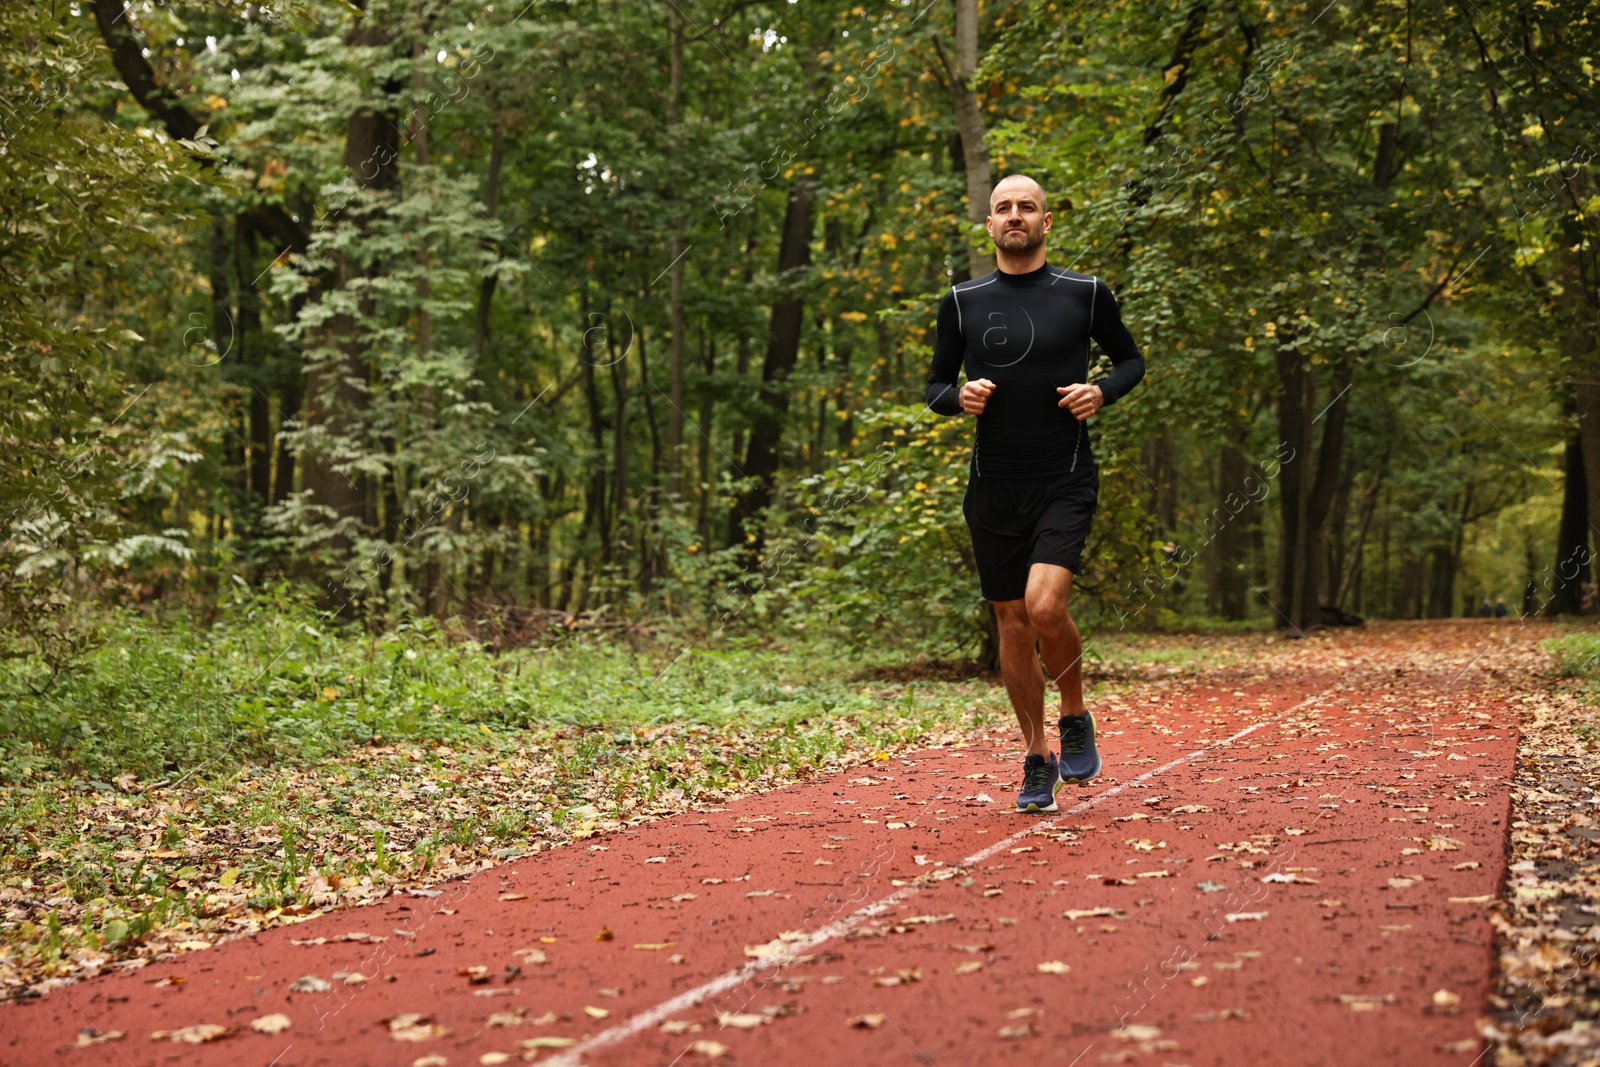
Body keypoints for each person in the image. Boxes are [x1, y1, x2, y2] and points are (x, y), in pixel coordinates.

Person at [925, 174, 1146, 813]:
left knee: (1044, 608)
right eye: (1003, 208)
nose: (1015, 216)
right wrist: (956, 397)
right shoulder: (962, 303)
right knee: (1012, 624)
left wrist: (1102, 390)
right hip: (993, 484)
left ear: (1046, 222)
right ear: (988, 225)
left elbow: (1131, 361)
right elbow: (935, 385)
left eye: (1027, 207)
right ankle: (1035, 756)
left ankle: (1074, 712)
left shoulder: (1085, 293)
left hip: (1064, 475)